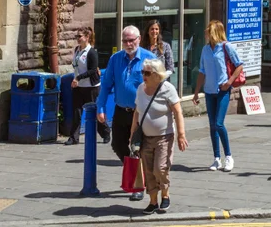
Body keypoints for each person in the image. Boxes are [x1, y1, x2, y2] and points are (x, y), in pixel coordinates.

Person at [97, 25, 155, 201]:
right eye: (125, 41)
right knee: (117, 145)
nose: (129, 44)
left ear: (139, 39)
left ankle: (139, 186)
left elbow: (158, 86)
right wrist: (100, 108)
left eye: (132, 40)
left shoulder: (149, 58)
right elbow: (106, 85)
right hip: (121, 110)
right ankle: (138, 173)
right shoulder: (115, 59)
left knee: (137, 149)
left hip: (141, 112)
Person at [134, 58, 187, 214]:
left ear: (157, 75)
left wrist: (181, 135)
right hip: (145, 137)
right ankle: (152, 202)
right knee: (148, 171)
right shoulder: (140, 89)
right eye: (143, 72)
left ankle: (165, 194)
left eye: (147, 73)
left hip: (164, 136)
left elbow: (178, 112)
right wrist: (132, 135)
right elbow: (137, 113)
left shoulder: (168, 89)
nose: (144, 75)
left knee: (160, 169)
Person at [191, 20, 243, 172]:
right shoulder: (206, 49)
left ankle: (229, 156)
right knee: (212, 125)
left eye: (209, 31)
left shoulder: (226, 47)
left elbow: (239, 65)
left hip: (222, 90)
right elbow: (202, 71)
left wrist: (229, 82)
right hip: (209, 91)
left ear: (216, 32)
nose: (206, 33)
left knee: (219, 123)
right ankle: (216, 158)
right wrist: (196, 92)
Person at [68, 27, 109, 145]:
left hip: (92, 87)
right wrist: (76, 79)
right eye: (77, 36)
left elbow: (92, 70)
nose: (78, 38)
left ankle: (105, 132)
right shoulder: (77, 50)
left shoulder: (92, 52)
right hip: (78, 86)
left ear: (87, 37)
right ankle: (73, 138)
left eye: (79, 36)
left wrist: (78, 78)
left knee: (96, 112)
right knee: (76, 112)